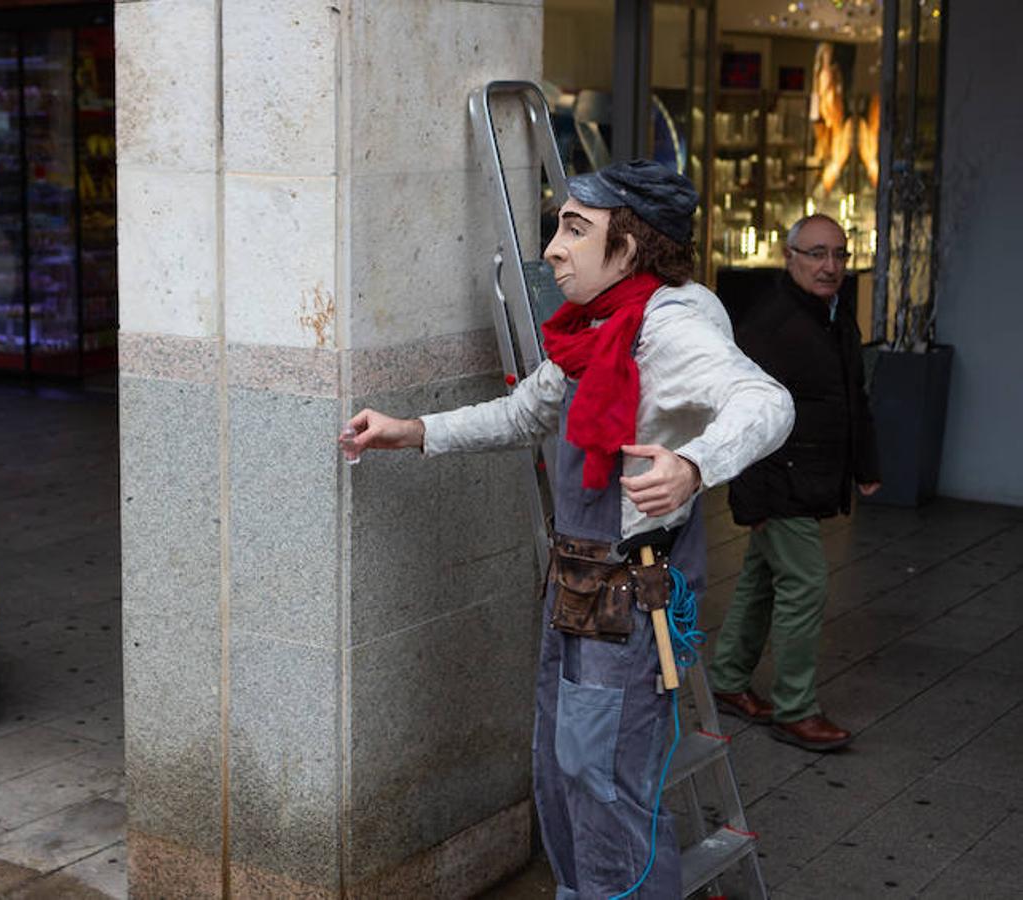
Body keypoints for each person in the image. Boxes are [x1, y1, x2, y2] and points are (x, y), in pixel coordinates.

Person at [344, 160, 794, 898]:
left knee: (608, 786)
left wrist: (693, 464)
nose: (553, 247)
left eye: (576, 229)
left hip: (626, 598)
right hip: (579, 589)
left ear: (633, 246)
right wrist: (412, 430)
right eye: (558, 224)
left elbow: (767, 402)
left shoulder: (668, 327)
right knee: (563, 773)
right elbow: (528, 413)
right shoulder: (600, 324)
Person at [708, 214, 880, 752]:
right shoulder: (773, 323)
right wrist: (747, 496)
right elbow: (740, 416)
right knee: (805, 584)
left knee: (763, 579)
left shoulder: (832, 314)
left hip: (809, 475)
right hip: (780, 482)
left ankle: (729, 680)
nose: (830, 266)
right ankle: (795, 709)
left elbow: (852, 396)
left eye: (839, 255)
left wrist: (865, 466)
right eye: (816, 254)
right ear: (790, 257)